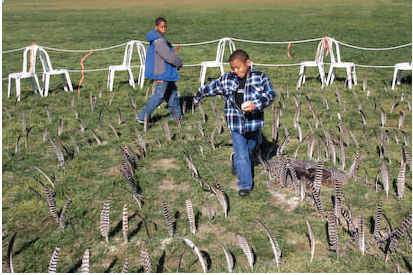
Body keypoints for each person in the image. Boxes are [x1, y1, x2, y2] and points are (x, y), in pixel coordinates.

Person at [193, 49, 275, 197]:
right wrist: (198, 95)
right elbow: (211, 87)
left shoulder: (260, 77)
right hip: (235, 123)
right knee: (242, 154)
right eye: (233, 68)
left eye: (238, 67)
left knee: (251, 146)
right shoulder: (227, 79)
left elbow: (270, 94)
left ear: (248, 63)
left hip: (253, 123)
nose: (236, 71)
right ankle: (245, 185)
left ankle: (235, 160)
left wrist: (256, 104)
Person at [136, 17, 183, 124]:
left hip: (165, 71)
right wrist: (179, 62)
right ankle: (142, 116)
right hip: (163, 72)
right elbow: (168, 56)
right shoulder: (159, 41)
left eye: (165, 26)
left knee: (172, 93)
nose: (164, 29)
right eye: (161, 27)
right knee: (159, 95)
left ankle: (176, 116)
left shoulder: (157, 39)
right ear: (156, 27)